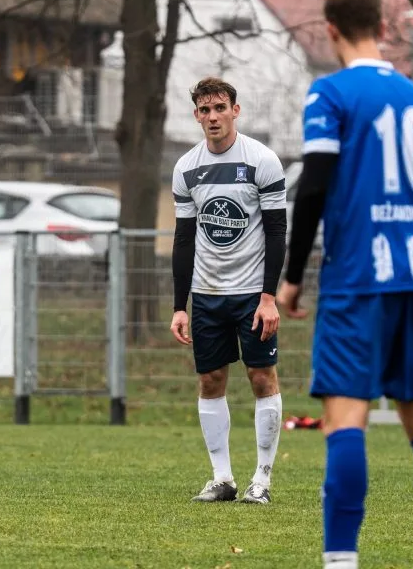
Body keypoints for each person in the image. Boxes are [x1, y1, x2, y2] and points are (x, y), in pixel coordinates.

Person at [274, 0, 413, 567]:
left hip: (360, 275)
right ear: (385, 28)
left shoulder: (331, 93)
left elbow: (312, 187)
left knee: (346, 419)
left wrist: (291, 279)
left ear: (332, 29)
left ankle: (340, 558)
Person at [170, 77, 287, 505]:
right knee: (210, 379)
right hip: (206, 294)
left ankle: (262, 478)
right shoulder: (186, 168)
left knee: (261, 379)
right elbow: (184, 240)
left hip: (252, 294)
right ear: (196, 115)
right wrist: (179, 306)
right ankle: (222, 478)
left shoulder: (262, 161)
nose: (212, 116)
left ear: (235, 110)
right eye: (204, 110)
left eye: (220, 107)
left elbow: (277, 233)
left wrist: (269, 296)